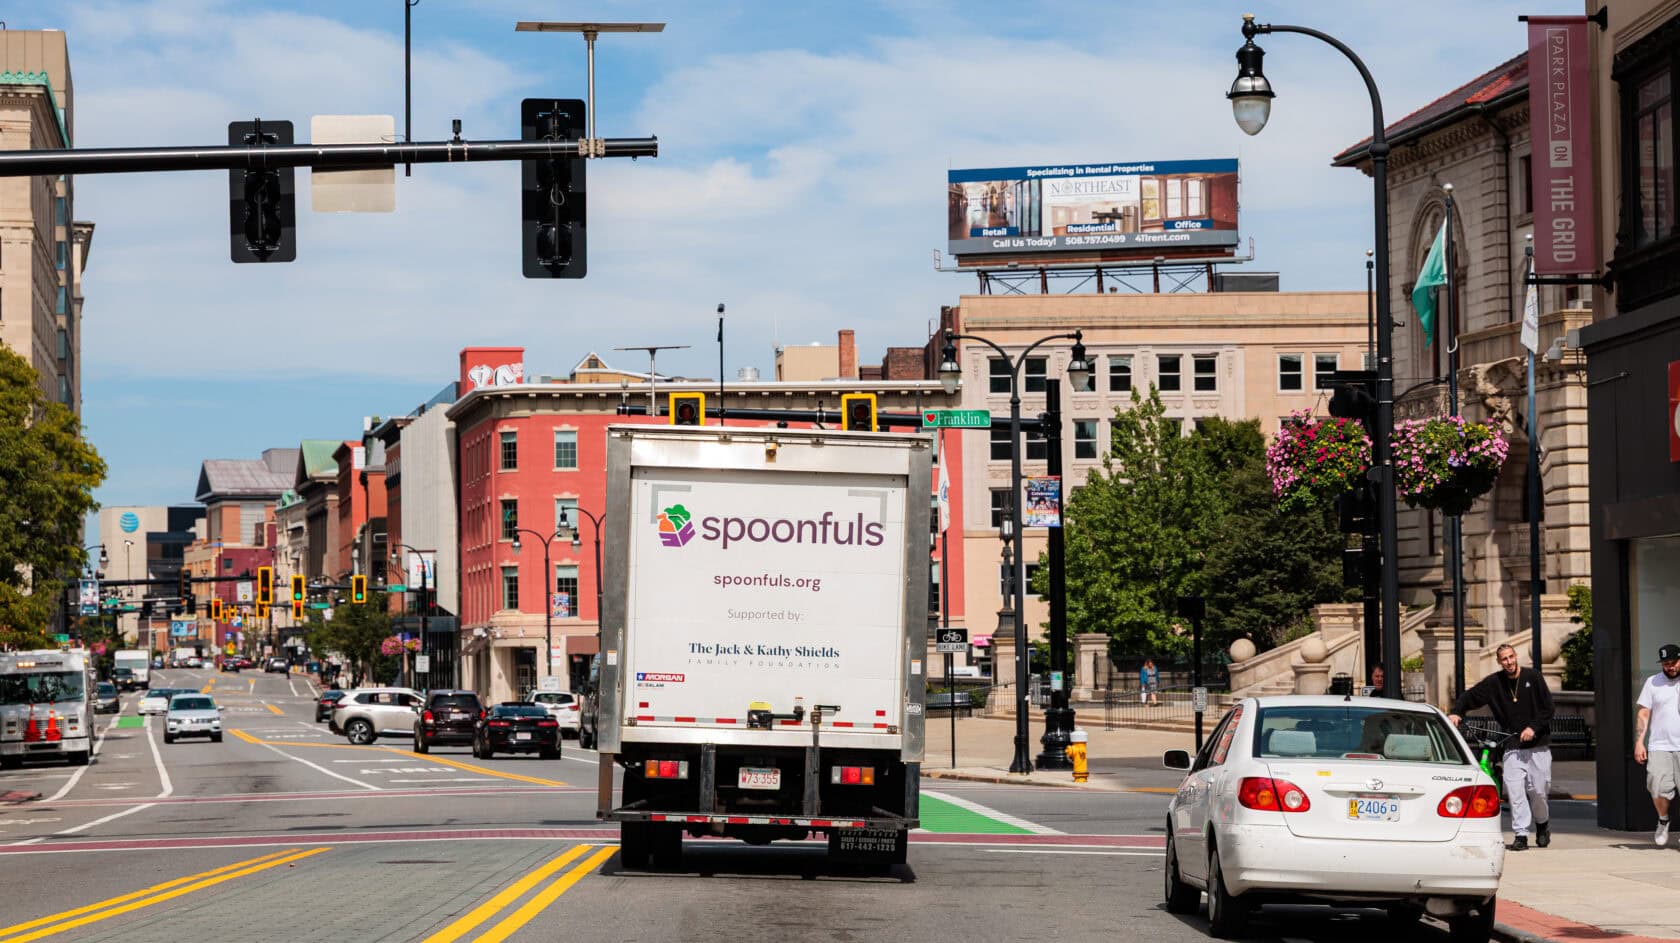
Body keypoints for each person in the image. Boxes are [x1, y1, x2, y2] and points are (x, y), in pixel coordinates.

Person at [1449, 643, 1555, 851]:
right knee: (1515, 791)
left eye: (1511, 657)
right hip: (1512, 745)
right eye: (1504, 659)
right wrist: (1457, 712)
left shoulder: (1533, 677)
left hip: (1538, 746)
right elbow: (1469, 697)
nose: (1509, 662)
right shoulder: (1494, 683)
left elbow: (1548, 708)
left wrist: (1533, 728)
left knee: (1538, 791)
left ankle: (1542, 825)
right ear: (1499, 662)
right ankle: (1521, 834)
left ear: (1516, 656)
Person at [1635, 643, 1680, 847]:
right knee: (1657, 787)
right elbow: (1644, 713)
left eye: (1673, 663)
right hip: (1660, 745)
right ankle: (1663, 819)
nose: (1670, 667)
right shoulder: (1653, 682)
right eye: (1666, 664)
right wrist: (1639, 742)